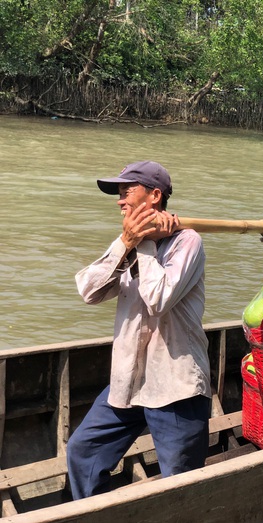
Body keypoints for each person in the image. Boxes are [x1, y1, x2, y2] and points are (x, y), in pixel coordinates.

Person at [68, 160, 211, 499]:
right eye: (119, 194)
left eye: (126, 192)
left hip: (175, 385)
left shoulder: (187, 243)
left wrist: (144, 244)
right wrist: (125, 243)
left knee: (180, 485)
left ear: (155, 196)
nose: (120, 201)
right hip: (128, 383)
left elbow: (158, 299)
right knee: (82, 451)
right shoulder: (128, 242)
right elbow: (88, 290)